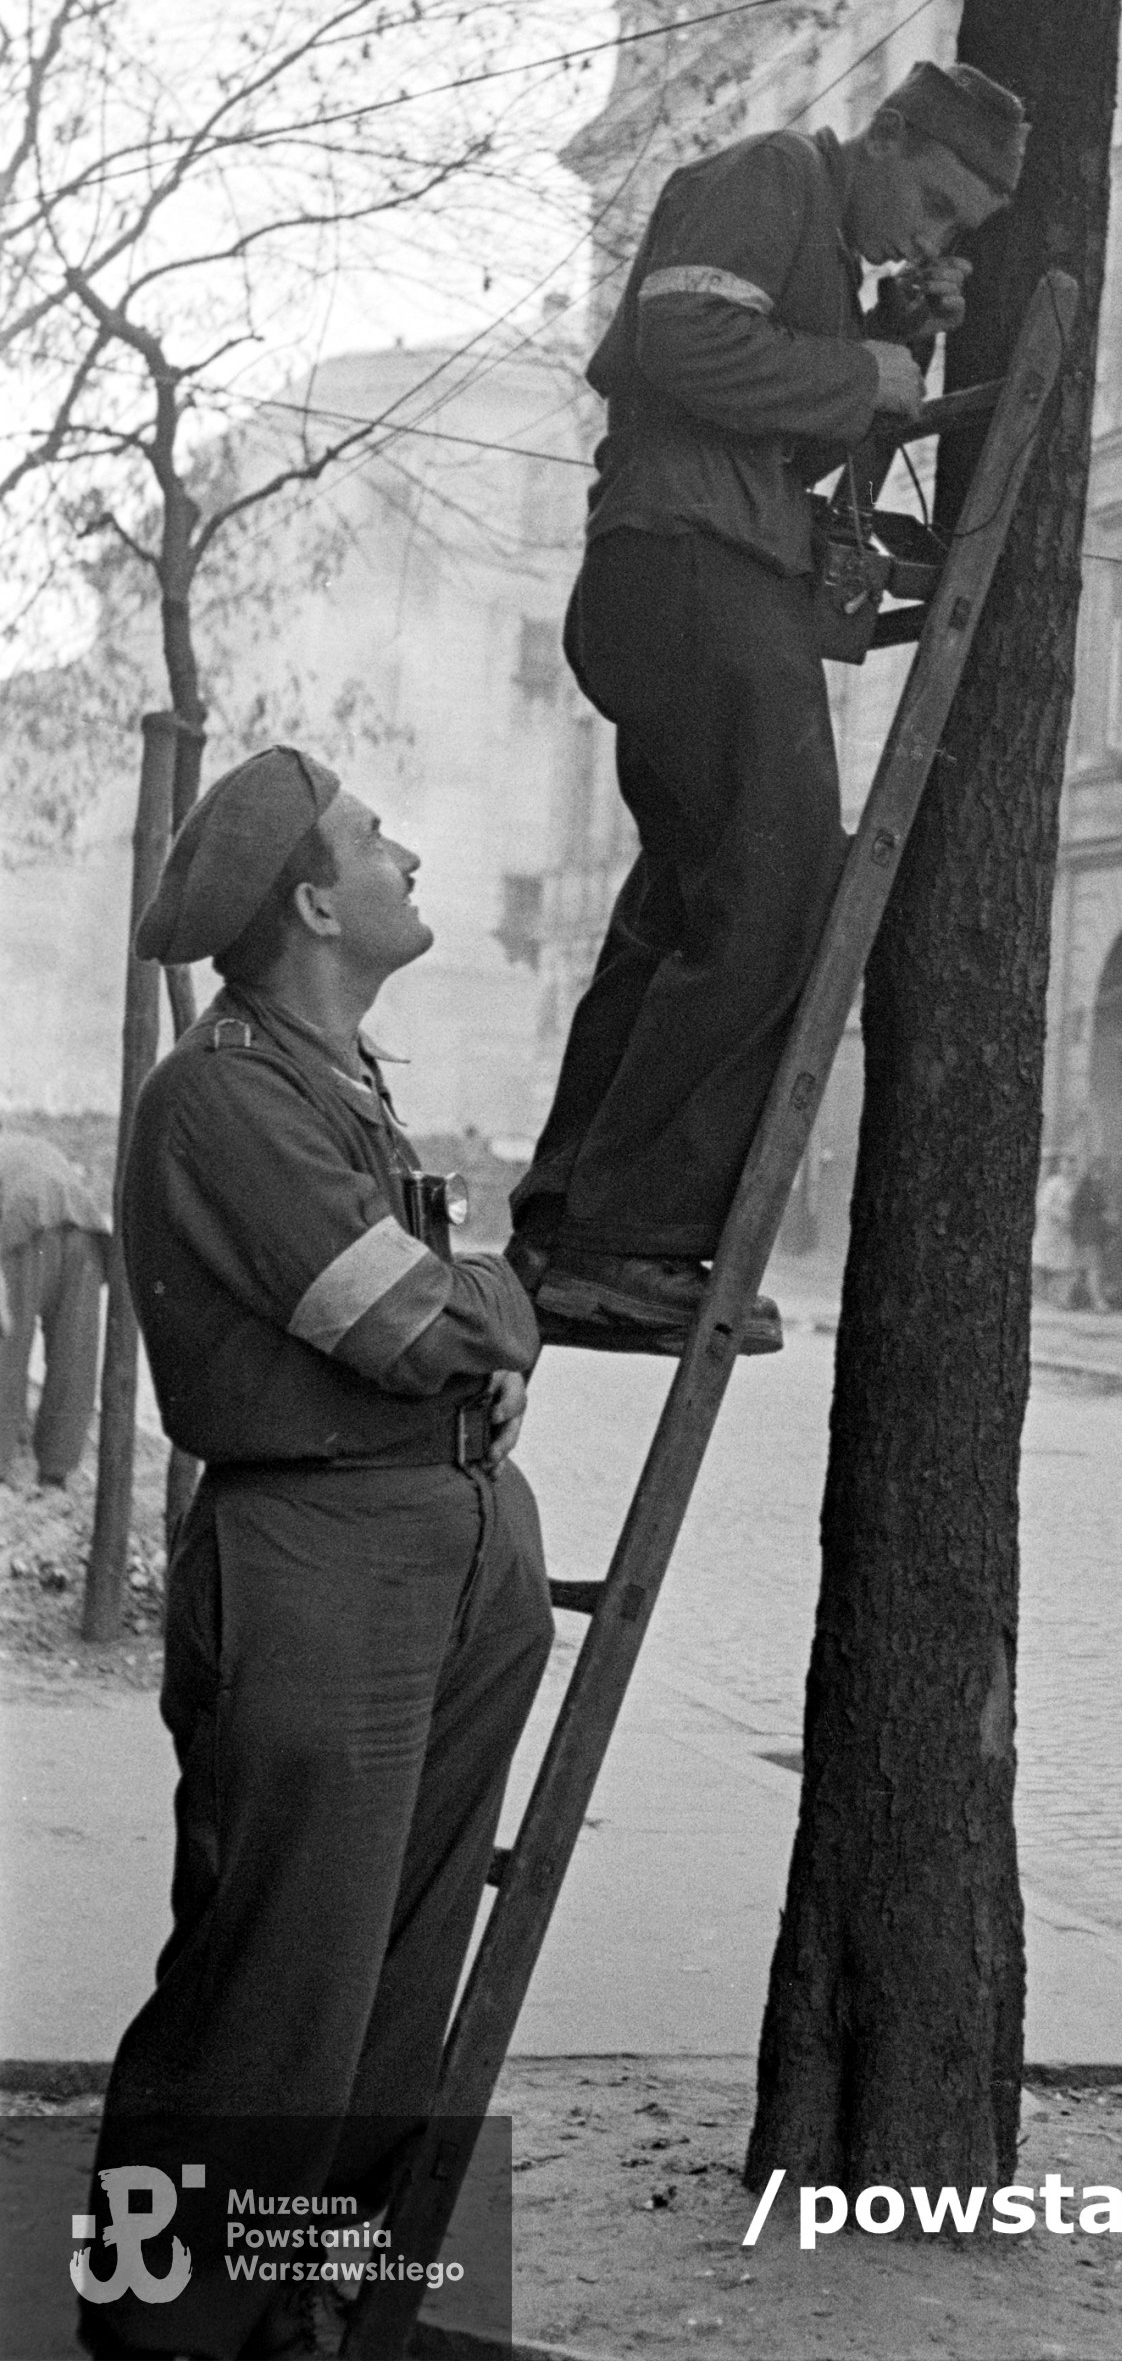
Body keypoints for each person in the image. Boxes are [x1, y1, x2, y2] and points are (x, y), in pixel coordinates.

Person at [77, 747, 550, 2361]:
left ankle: (301, 2291)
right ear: (311, 897)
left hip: (449, 1537)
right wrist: (499, 1306)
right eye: (371, 836)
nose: (406, 850)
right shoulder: (222, 1092)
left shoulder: (340, 1078)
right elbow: (412, 1316)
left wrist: (475, 1317)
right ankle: (159, 2324)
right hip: (322, 1553)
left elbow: (431, 1312)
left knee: (400, 1967)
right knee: (282, 1971)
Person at [507, 59, 1028, 1355]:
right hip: (693, 566)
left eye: (960, 229)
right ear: (886, 136)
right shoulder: (772, 176)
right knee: (787, 875)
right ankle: (625, 1240)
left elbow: (780, 424)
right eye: (936, 200)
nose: (936, 232)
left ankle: (569, 1220)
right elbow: (682, 342)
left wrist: (898, 335)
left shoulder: (823, 249)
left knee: (689, 901)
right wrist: (865, 371)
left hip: (689, 567)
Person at [0, 1129, 110, 1487]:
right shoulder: (27, 1144)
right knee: (75, 1354)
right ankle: (56, 1470)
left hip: (24, 1227)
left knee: (6, 1352)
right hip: (85, 1228)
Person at [1067, 1154, 1115, 1310]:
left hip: (1096, 1233)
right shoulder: (1087, 1189)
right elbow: (1075, 1211)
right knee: (1093, 1267)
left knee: (1084, 1268)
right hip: (1088, 1232)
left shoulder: (1099, 1188)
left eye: (1102, 1172)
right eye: (1098, 1171)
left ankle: (1070, 1299)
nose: (1100, 1175)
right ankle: (1098, 1302)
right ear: (1092, 1171)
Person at [1031, 1152, 1078, 1306]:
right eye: (1066, 1164)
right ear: (1060, 1166)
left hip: (1067, 1229)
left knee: (1064, 1263)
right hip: (1050, 1226)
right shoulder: (1053, 1184)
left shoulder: (1074, 1183)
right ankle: (1040, 1296)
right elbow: (1043, 1206)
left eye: (1073, 1164)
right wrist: (1058, 1216)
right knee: (1042, 1261)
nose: (1070, 1168)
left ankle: (1060, 1297)